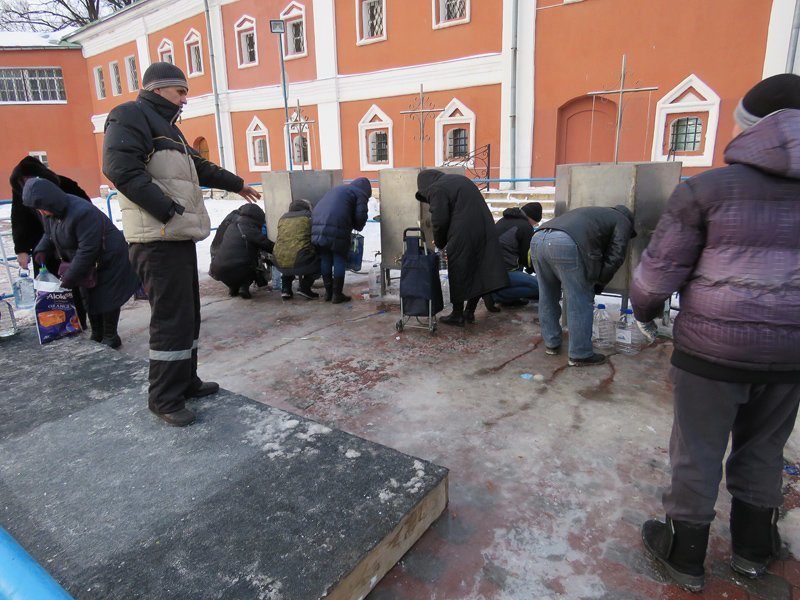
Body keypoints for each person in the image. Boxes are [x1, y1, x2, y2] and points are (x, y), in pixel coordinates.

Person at [630, 73, 800, 593]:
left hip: (712, 351)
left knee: (697, 450)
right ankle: (753, 548)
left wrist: (645, 309)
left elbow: (655, 277)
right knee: (766, 448)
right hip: (791, 354)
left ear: (750, 130)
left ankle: (684, 554)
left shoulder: (706, 189)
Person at [102, 62, 261, 427]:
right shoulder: (129, 116)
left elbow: (199, 167)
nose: (186, 99)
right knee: (171, 319)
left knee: (187, 314)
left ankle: (185, 381)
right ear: (158, 89)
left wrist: (236, 184)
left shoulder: (169, 128)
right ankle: (163, 398)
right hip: (156, 236)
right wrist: (167, 209)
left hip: (175, 235)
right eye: (181, 92)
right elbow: (120, 169)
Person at [22, 177, 139, 347]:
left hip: (109, 258)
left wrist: (69, 277)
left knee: (107, 296)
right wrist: (41, 250)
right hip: (87, 261)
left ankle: (110, 336)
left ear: (50, 201)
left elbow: (88, 250)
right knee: (89, 295)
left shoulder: (82, 212)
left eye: (42, 209)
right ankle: (97, 333)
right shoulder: (51, 212)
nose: (41, 213)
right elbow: (49, 234)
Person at [531, 204, 635, 366]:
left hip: (538, 238)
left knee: (547, 296)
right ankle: (580, 353)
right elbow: (616, 255)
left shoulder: (593, 212)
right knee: (579, 298)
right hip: (564, 243)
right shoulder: (623, 220)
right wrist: (598, 283)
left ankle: (551, 343)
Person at [415, 170, 508, 326]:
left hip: (463, 233)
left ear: (425, 185)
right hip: (485, 229)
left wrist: (439, 242)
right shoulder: (459, 180)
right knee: (479, 271)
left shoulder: (436, 188)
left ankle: (457, 314)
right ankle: (469, 312)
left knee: (458, 270)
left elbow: (439, 219)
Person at [10, 156, 92, 328]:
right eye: (22, 181)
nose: (26, 184)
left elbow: (87, 211)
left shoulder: (65, 185)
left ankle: (81, 323)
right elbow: (19, 222)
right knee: (49, 292)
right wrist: (22, 250)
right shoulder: (20, 195)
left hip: (71, 245)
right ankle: (57, 327)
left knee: (77, 287)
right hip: (44, 251)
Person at [311, 178, 370, 304]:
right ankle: (337, 294)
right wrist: (358, 226)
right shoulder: (361, 193)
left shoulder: (339, 189)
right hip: (337, 225)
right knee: (339, 257)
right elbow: (361, 215)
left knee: (325, 257)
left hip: (318, 223)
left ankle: (328, 293)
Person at [209, 204, 274, 299]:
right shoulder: (250, 229)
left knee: (235, 263)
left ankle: (233, 288)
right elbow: (267, 245)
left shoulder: (232, 226)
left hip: (218, 269)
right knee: (250, 264)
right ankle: (244, 287)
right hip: (239, 268)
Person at [492, 202, 541, 307]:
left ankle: (508, 297)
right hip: (503, 272)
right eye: (535, 223)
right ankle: (496, 296)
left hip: (491, 272)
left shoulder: (504, 220)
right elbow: (527, 257)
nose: (534, 225)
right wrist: (537, 271)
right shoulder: (525, 227)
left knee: (528, 278)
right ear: (531, 218)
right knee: (541, 288)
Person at [273, 198, 320, 300]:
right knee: (320, 260)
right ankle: (305, 287)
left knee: (287, 255)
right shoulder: (309, 217)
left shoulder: (283, 218)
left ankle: (286, 289)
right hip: (301, 260)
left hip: (278, 260)